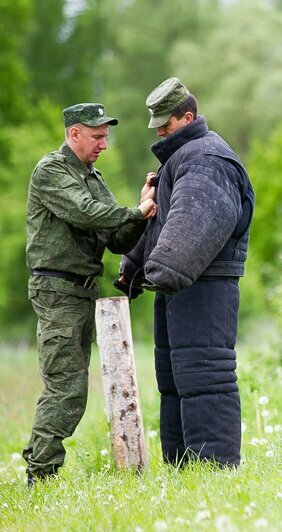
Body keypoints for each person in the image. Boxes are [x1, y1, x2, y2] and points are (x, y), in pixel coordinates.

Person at [117, 78, 255, 468]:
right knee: (175, 378)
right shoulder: (182, 158)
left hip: (205, 284)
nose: (160, 131)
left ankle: (214, 467)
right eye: (156, 124)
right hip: (178, 285)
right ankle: (182, 466)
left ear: (188, 116)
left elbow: (197, 216)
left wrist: (162, 270)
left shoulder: (206, 156)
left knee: (204, 374)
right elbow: (164, 223)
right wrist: (133, 269)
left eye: (166, 123)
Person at [23, 103, 157, 486]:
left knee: (70, 389)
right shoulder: (52, 171)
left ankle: (42, 473)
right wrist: (135, 211)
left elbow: (116, 238)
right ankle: (40, 477)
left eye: (105, 137)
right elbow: (85, 213)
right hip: (57, 290)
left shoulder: (91, 177)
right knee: (66, 389)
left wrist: (142, 210)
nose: (104, 144)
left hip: (81, 292)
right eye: (97, 136)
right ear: (74, 134)